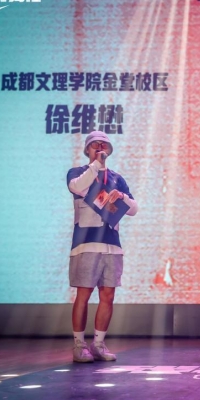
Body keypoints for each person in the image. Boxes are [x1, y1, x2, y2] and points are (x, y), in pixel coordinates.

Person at [67, 131, 138, 363]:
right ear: (87, 149)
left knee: (108, 294)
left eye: (104, 145)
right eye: (95, 144)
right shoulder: (77, 172)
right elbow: (77, 187)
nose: (100, 147)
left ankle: (98, 344)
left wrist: (122, 197)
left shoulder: (117, 178)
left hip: (112, 245)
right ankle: (79, 345)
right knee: (84, 293)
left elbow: (133, 209)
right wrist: (96, 166)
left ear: (109, 150)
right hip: (86, 243)